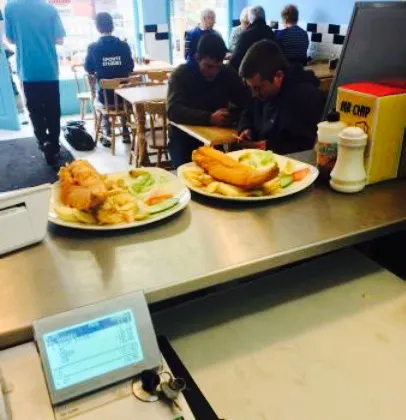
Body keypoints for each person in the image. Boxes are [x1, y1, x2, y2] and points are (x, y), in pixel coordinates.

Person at [167, 33, 250, 168]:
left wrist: (231, 116)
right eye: (209, 66)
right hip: (183, 140)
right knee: (186, 173)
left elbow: (247, 102)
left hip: (213, 140)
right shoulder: (181, 74)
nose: (213, 72)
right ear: (197, 58)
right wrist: (209, 118)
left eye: (218, 66)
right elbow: (173, 110)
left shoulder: (227, 73)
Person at [5, 0, 66, 165]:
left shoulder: (10, 7)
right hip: (49, 69)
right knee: (53, 111)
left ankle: (43, 141)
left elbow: (10, 39)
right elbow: (59, 39)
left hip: (28, 70)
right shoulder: (49, 9)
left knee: (35, 111)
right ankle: (54, 145)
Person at [237, 40, 324, 154]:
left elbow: (307, 146)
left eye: (258, 88)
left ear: (278, 76)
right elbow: (248, 112)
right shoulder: (260, 91)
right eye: (251, 88)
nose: (254, 94)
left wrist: (268, 146)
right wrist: (246, 128)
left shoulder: (305, 98)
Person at [84, 12, 134, 147]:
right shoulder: (124, 46)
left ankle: (107, 132)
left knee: (98, 100)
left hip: (106, 98)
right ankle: (125, 132)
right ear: (112, 25)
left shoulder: (93, 47)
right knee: (121, 98)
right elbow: (130, 67)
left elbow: (88, 68)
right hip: (125, 97)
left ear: (97, 27)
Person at [230, 6, 275, 71]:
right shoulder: (271, 33)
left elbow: (235, 61)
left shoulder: (246, 35)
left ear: (250, 19)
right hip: (268, 72)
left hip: (249, 73)